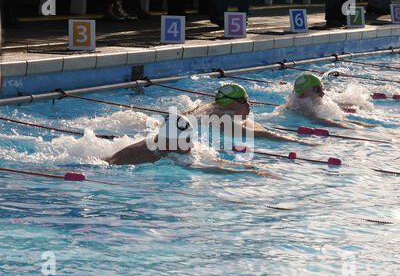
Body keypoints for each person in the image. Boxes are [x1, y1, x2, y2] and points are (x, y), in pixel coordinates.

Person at [104, 114, 277, 177]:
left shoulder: (165, 144)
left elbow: (208, 159)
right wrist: (249, 174)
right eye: (187, 140)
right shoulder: (157, 153)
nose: (192, 144)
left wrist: (248, 166)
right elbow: (203, 168)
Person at [184, 83, 317, 144]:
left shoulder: (210, 108)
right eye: (243, 101)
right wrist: (296, 141)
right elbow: (258, 134)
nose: (249, 105)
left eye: (247, 100)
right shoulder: (220, 120)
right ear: (229, 103)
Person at [287, 74, 374, 129]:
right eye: (317, 89)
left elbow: (338, 118)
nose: (322, 94)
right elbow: (321, 121)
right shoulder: (302, 108)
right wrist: (352, 129)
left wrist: (360, 124)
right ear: (303, 94)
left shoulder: (307, 102)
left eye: (322, 88)